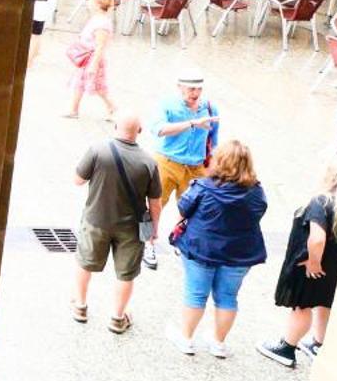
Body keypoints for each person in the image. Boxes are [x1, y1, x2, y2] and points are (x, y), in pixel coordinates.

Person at [166, 140, 269, 358]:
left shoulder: (202, 187)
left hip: (202, 249)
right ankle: (218, 343)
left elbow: (183, 210)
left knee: (196, 294)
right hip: (240, 253)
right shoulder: (256, 191)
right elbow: (259, 212)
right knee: (228, 297)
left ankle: (186, 339)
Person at [258, 160, 337, 367]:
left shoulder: (320, 202)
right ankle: (318, 344)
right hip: (334, 268)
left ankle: (287, 347)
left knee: (302, 306)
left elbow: (317, 238)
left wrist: (313, 263)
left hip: (312, 266)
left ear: (331, 178)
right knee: (324, 303)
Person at [70, 113, 160, 333]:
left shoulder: (97, 150)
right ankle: (118, 318)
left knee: (85, 263)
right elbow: (155, 203)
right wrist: (153, 230)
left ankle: (80, 307)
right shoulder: (149, 162)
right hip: (131, 228)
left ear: (116, 126)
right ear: (139, 131)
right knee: (126, 273)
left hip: (96, 221)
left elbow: (78, 180)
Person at [147, 69, 220, 270]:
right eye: (191, 88)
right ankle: (148, 243)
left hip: (196, 167)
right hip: (167, 163)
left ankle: (180, 239)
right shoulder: (167, 105)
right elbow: (158, 129)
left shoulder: (210, 108)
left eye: (198, 88)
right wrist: (191, 123)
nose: (195, 93)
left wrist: (212, 170)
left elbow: (213, 141)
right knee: (154, 205)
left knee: (192, 208)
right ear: (179, 87)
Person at [65, 0, 119, 119]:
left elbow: (100, 45)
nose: (88, 2)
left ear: (98, 5)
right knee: (80, 83)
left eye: (91, 1)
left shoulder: (102, 24)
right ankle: (74, 109)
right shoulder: (97, 19)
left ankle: (112, 107)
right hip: (86, 58)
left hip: (92, 59)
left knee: (97, 86)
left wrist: (94, 64)